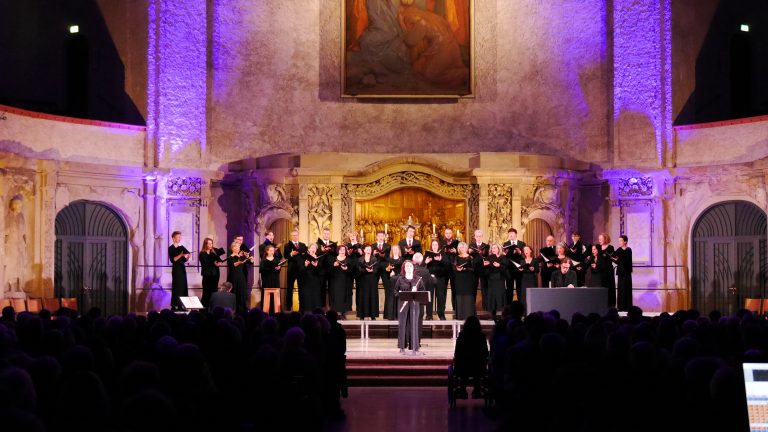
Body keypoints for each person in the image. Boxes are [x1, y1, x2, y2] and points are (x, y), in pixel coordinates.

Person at [394, 261, 427, 353]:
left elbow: (423, 291)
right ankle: (402, 347)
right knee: (402, 325)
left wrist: (416, 291)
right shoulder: (400, 279)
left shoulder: (418, 279)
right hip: (403, 304)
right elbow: (395, 292)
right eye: (406, 266)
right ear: (404, 268)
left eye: (410, 266)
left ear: (413, 268)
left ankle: (415, 346)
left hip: (414, 304)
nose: (409, 267)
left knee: (414, 325)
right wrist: (401, 294)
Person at [453, 315, 488, 399]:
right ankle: (477, 390)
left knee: (464, 365)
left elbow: (457, 353)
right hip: (478, 366)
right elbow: (485, 353)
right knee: (477, 366)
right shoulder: (481, 336)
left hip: (463, 366)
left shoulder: (462, 336)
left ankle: (462, 390)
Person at [425, 239, 449, 320]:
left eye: (436, 245)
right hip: (430, 278)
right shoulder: (427, 254)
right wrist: (426, 262)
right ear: (431, 246)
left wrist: (440, 260)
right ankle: (429, 315)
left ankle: (441, 314)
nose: (434, 246)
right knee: (429, 296)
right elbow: (422, 266)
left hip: (440, 278)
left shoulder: (442, 254)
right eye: (433, 245)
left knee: (440, 297)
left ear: (438, 246)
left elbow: (447, 266)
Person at [283, 229, 306, 312]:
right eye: (293, 235)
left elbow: (305, 255)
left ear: (298, 236)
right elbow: (285, 256)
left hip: (301, 270)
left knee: (301, 288)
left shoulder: (302, 245)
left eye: (296, 235)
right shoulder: (287, 245)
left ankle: (302, 307)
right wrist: (291, 254)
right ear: (291, 236)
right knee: (290, 288)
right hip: (291, 270)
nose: (295, 237)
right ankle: (289, 307)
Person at [199, 237, 225, 308]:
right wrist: (214, 262)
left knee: (214, 292)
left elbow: (219, 260)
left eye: (211, 243)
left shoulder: (214, 252)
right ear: (205, 244)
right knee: (206, 292)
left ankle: (213, 308)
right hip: (207, 275)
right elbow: (205, 263)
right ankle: (204, 309)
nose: (211, 245)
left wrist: (219, 263)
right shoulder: (202, 253)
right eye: (209, 243)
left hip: (215, 275)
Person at [168, 231, 190, 311]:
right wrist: (181, 255)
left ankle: (182, 305)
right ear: (173, 238)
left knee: (183, 287)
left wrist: (187, 256)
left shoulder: (182, 247)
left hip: (182, 269)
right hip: (176, 269)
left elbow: (183, 260)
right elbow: (173, 260)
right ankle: (175, 305)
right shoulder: (171, 248)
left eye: (180, 237)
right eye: (178, 237)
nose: (179, 239)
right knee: (177, 287)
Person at [228, 241, 253, 314]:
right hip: (234, 277)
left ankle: (242, 310)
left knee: (241, 292)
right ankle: (234, 310)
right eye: (236, 247)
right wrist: (240, 261)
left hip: (241, 277)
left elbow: (250, 263)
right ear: (233, 248)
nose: (238, 248)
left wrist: (250, 258)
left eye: (239, 247)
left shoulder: (241, 257)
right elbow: (234, 265)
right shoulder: (230, 257)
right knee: (235, 292)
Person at [502, 228, 525, 305]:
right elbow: (504, 256)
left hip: (518, 268)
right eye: (509, 233)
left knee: (519, 287)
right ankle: (509, 306)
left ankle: (520, 305)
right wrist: (505, 253)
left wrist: (520, 251)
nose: (511, 235)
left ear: (516, 234)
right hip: (509, 269)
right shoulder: (505, 244)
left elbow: (524, 256)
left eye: (512, 233)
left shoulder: (521, 244)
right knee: (509, 288)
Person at [328, 245, 353, 316]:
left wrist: (347, 269)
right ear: (338, 251)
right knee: (336, 296)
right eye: (340, 250)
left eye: (343, 250)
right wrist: (333, 266)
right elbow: (328, 272)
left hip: (346, 282)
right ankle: (337, 313)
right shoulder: (333, 259)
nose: (342, 251)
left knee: (345, 296)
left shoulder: (349, 260)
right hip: (335, 282)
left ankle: (344, 313)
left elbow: (353, 272)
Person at [453, 242, 476, 320]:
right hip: (459, 280)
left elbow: (473, 269)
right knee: (460, 295)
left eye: (463, 247)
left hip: (468, 279)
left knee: (468, 296)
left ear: (466, 248)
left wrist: (465, 269)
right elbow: (454, 267)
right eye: (460, 247)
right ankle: (460, 315)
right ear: (459, 249)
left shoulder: (470, 258)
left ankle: (469, 316)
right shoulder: (456, 257)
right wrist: (457, 268)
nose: (462, 249)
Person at [484, 244, 508, 317]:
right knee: (492, 295)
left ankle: (500, 312)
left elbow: (506, 269)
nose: (493, 249)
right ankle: (492, 313)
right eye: (492, 248)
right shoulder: (488, 258)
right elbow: (485, 272)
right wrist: (485, 266)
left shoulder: (503, 257)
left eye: (495, 248)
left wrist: (499, 265)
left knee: (499, 294)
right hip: (491, 279)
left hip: (500, 279)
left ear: (499, 249)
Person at [356, 245, 379, 319]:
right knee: (363, 297)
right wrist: (365, 270)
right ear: (364, 250)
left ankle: (373, 315)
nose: (369, 250)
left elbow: (376, 269)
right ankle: (362, 315)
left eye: (370, 249)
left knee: (372, 296)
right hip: (363, 280)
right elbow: (358, 269)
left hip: (372, 280)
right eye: (367, 249)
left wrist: (372, 270)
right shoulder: (360, 259)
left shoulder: (374, 258)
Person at [382, 244, 404, 320]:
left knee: (399, 297)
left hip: (400, 280)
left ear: (399, 251)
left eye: (396, 249)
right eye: (394, 249)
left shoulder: (402, 259)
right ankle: (390, 315)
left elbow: (404, 270)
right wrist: (389, 269)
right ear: (392, 251)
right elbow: (385, 271)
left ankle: (399, 315)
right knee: (390, 297)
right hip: (390, 281)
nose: (395, 250)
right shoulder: (388, 259)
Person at [259, 244, 283, 314]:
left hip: (275, 279)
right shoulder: (263, 260)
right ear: (267, 251)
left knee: (276, 294)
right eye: (271, 250)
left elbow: (278, 271)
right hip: (267, 280)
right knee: (267, 295)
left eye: (273, 250)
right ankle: (266, 311)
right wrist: (271, 268)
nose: (273, 252)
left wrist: (279, 268)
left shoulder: (276, 259)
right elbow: (261, 270)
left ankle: (276, 311)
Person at [300, 244, 323, 312]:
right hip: (306, 280)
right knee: (307, 296)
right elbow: (300, 270)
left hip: (315, 280)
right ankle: (306, 311)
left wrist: (316, 266)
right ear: (308, 249)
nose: (313, 249)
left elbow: (321, 272)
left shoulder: (319, 258)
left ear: (316, 250)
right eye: (312, 248)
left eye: (314, 248)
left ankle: (316, 312)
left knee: (315, 296)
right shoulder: (304, 258)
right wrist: (305, 265)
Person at [468, 230, 489, 309]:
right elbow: (469, 257)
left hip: (483, 269)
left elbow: (488, 256)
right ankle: (472, 307)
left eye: (480, 236)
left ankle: (486, 307)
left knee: (484, 289)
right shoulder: (471, 245)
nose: (478, 238)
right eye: (477, 236)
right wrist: (469, 252)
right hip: (474, 269)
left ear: (482, 236)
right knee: (473, 288)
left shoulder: (486, 246)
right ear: (475, 237)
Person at [412, 252, 435, 320]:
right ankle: (428, 316)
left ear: (413, 261)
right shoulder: (425, 271)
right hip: (421, 297)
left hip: (411, 296)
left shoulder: (410, 269)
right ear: (422, 261)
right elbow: (434, 281)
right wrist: (433, 277)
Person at [612, 235, 633, 311]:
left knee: (627, 288)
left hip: (626, 272)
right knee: (621, 289)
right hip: (620, 272)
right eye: (619, 241)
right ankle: (620, 307)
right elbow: (616, 260)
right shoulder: (618, 250)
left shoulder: (628, 250)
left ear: (625, 242)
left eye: (621, 241)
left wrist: (619, 259)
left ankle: (628, 307)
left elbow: (627, 260)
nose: (619, 242)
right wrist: (613, 258)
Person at [317, 227, 336, 307]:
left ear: (330, 234)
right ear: (322, 234)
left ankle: (332, 307)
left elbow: (336, 255)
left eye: (328, 234)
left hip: (331, 269)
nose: (326, 235)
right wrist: (322, 250)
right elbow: (316, 255)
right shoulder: (318, 244)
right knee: (322, 288)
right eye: (325, 233)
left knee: (332, 289)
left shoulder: (333, 244)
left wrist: (330, 250)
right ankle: (322, 307)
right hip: (321, 269)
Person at [441, 227, 459, 309]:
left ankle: (455, 308)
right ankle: (442, 308)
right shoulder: (441, 243)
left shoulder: (457, 242)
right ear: (444, 234)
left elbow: (462, 253)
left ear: (452, 234)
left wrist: (456, 252)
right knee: (443, 289)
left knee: (455, 289)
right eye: (446, 233)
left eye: (449, 233)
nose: (448, 235)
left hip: (454, 268)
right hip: (444, 269)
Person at [345, 232, 363, 311]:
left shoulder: (361, 245)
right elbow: (344, 256)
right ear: (349, 237)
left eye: (354, 235)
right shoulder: (347, 246)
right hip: (349, 269)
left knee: (359, 289)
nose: (352, 237)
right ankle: (348, 308)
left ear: (357, 237)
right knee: (349, 289)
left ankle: (359, 308)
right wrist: (348, 253)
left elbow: (363, 257)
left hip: (359, 269)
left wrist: (361, 252)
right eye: (351, 235)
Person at [598, 232, 616, 307]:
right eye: (599, 239)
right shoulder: (598, 247)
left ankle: (610, 304)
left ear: (605, 239)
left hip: (608, 270)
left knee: (609, 287)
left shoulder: (610, 247)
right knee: (601, 286)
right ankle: (602, 303)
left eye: (601, 239)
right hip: (600, 271)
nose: (599, 240)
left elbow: (613, 257)